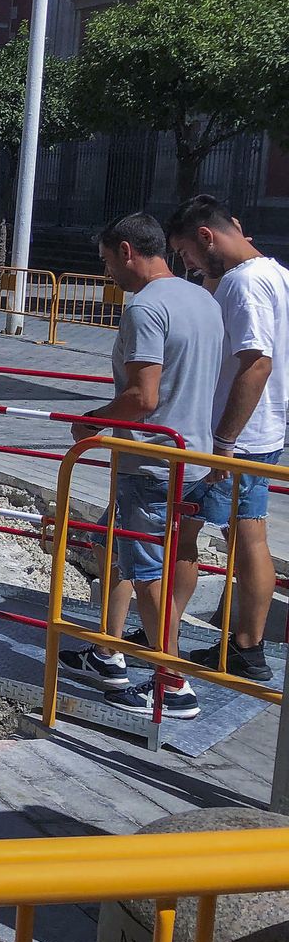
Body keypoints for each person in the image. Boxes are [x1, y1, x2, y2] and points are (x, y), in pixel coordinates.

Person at [57, 212, 223, 721]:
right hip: (191, 453)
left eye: (107, 261)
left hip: (151, 460)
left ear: (127, 251)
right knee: (120, 549)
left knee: (149, 570)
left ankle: (171, 683)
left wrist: (91, 421)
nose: (107, 273)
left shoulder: (145, 308)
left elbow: (142, 397)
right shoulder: (201, 298)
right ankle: (108, 652)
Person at [164, 196, 289, 684]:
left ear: (206, 236)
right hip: (266, 429)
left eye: (187, 254)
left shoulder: (244, 283)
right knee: (248, 535)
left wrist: (222, 440)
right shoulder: (276, 273)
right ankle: (247, 646)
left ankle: (165, 634)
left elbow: (256, 361)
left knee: (185, 535)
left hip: (232, 436)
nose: (188, 266)